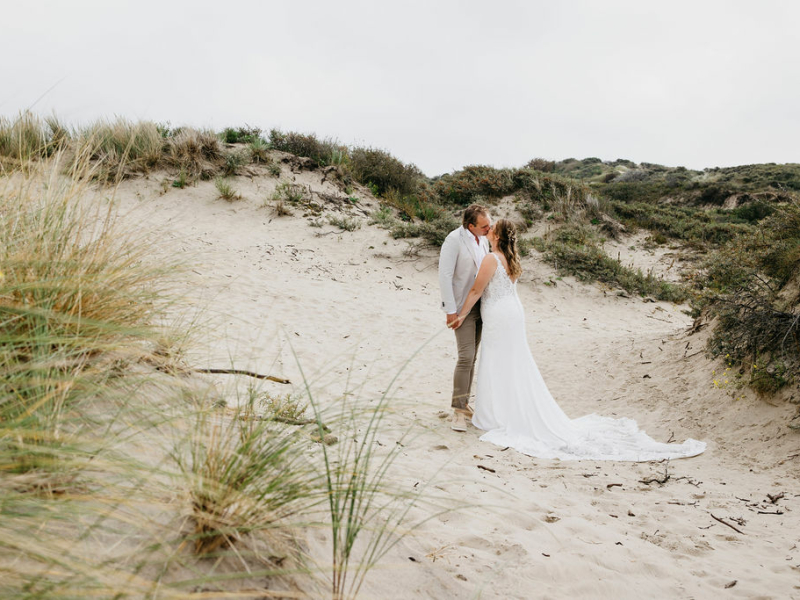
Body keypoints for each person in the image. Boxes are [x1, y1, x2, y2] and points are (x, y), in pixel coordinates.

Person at [452, 219, 705, 461]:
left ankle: (498, 414)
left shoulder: (491, 258)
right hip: (513, 313)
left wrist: (460, 313)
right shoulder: (511, 258)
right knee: (513, 362)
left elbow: (476, 290)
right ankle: (505, 410)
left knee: (498, 362)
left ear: (497, 235)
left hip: (499, 315)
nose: (488, 229)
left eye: (492, 228)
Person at [439, 204, 491, 432]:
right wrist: (451, 310)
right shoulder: (454, 240)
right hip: (462, 307)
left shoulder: (484, 240)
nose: (489, 229)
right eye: (484, 226)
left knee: (473, 358)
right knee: (465, 357)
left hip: (484, 306)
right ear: (471, 226)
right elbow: (445, 275)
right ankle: (458, 412)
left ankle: (464, 403)